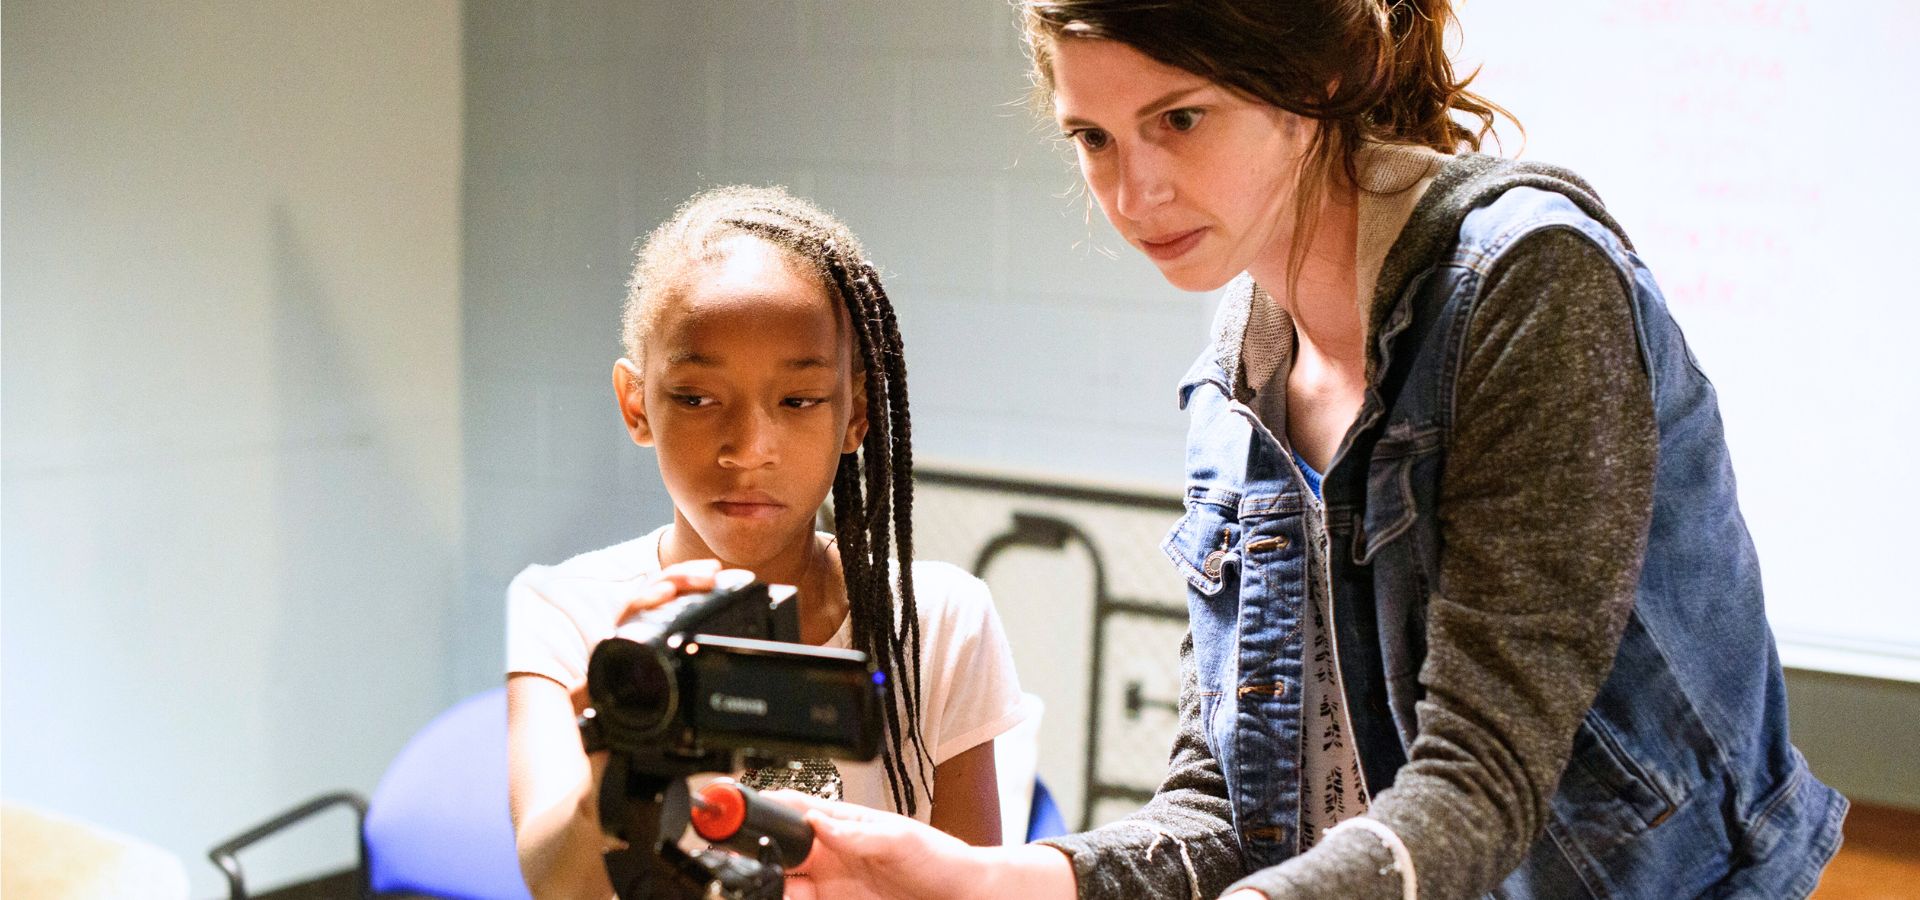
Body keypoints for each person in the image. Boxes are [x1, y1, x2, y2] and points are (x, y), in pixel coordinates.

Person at [769, 2, 1847, 898]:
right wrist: (993, 881)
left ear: (1313, 85)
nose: (1131, 195)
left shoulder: (1531, 285)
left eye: (1180, 120)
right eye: (1091, 139)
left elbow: (1483, 781)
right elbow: (1225, 810)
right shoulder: (1240, 367)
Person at [504, 186, 1029, 898]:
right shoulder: (567, 609)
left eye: (799, 400)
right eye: (695, 398)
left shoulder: (936, 618)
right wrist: (615, 766)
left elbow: (972, 888)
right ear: (637, 405)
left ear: (856, 414)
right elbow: (555, 883)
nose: (749, 449)